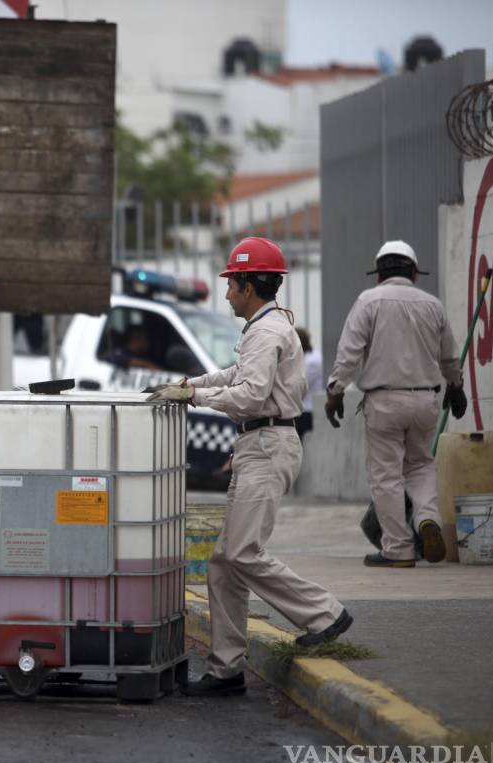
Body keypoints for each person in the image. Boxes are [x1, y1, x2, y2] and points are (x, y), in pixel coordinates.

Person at [149, 237, 352, 697]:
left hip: (267, 444)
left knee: (242, 553)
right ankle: (227, 670)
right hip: (259, 443)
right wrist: (190, 384)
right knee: (223, 565)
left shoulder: (266, 331)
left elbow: (250, 395)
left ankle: (324, 614)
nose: (226, 294)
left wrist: (196, 396)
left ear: (249, 286)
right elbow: (235, 375)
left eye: (231, 284)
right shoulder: (265, 327)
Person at [324, 240, 466, 568]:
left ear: (379, 275)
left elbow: (349, 354)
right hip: (425, 399)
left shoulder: (368, 301)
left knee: (386, 474)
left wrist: (336, 392)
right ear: (414, 273)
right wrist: (456, 386)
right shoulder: (433, 305)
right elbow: (449, 356)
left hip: (384, 401)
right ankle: (427, 518)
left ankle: (398, 549)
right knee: (421, 465)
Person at [294, 326, 320, 438]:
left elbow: (298, 386)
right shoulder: (309, 358)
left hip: (307, 411)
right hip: (304, 410)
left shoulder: (311, 361)